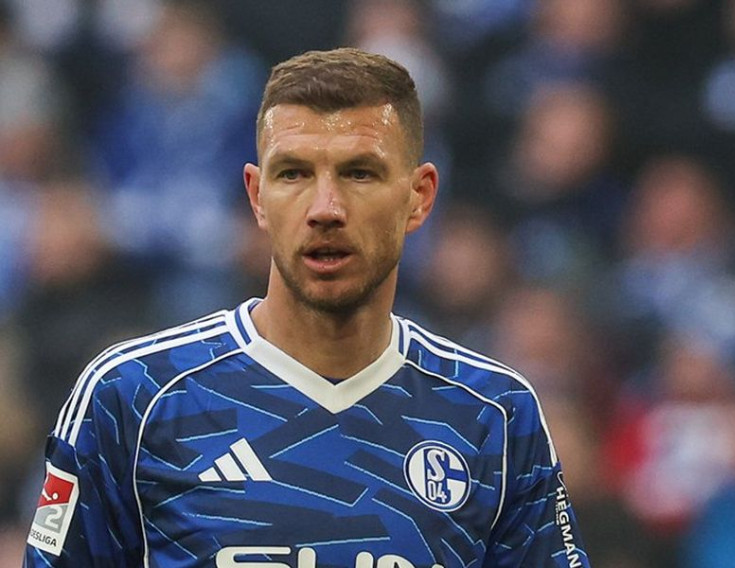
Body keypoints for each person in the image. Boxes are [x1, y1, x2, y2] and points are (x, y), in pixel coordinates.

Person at [23, 48, 591, 568]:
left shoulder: (494, 415)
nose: (326, 208)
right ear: (256, 196)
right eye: (293, 173)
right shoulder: (133, 396)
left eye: (359, 173)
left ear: (418, 197)